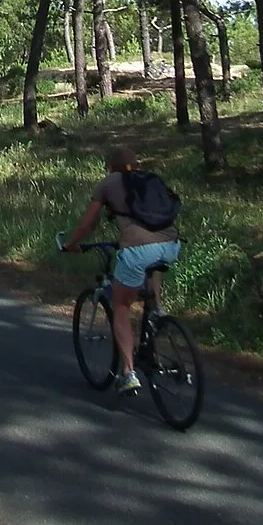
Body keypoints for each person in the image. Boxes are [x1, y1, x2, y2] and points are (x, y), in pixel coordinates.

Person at [59, 145, 181, 393]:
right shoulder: (151, 179)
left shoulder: (109, 183)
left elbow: (88, 223)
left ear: (111, 166)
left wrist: (71, 244)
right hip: (171, 245)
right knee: (152, 266)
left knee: (121, 306)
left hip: (137, 250)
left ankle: (128, 372)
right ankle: (156, 309)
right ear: (137, 164)